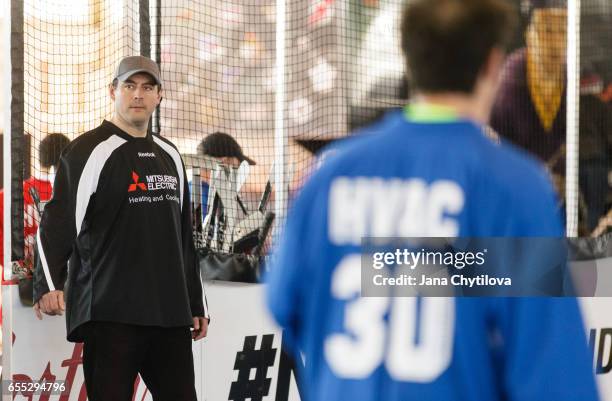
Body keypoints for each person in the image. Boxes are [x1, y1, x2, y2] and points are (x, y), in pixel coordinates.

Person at [265, 0, 599, 400]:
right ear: (493, 63)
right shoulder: (515, 189)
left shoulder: (331, 176)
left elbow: (285, 304)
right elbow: (555, 377)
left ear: (407, 55)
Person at [32, 56, 209, 401]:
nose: (138, 95)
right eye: (129, 86)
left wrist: (196, 303)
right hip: (111, 316)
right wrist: (49, 284)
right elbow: (57, 222)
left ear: (159, 95)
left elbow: (183, 238)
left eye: (147, 87)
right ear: (113, 91)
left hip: (169, 316)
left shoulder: (171, 154)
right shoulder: (88, 151)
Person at [490, 0, 611, 232]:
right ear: (530, 35)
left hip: (567, 179)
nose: (554, 43)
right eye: (546, 31)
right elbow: (497, 136)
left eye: (562, 31)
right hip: (520, 178)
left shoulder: (573, 75)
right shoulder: (512, 75)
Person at [0, 133, 71, 268]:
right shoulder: (67, 195)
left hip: (17, 280)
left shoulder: (8, 195)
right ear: (66, 159)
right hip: (56, 281)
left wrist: (24, 271)